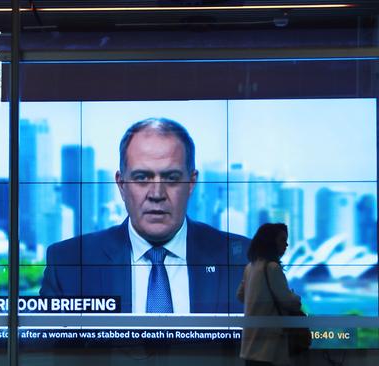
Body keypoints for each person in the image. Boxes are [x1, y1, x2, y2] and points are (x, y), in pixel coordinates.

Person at [40, 117, 249, 313]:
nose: (156, 194)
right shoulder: (69, 264)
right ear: (121, 185)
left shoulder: (245, 260)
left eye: (171, 178)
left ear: (191, 182)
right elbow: (50, 352)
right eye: (142, 178)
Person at [237, 223, 301, 366]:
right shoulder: (272, 268)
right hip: (268, 347)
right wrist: (296, 297)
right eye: (282, 240)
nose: (286, 244)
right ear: (271, 242)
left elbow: (240, 295)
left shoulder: (250, 267)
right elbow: (289, 301)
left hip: (250, 345)